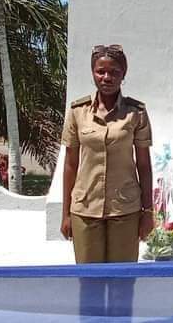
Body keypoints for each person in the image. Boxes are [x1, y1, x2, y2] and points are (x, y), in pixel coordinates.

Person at [60, 44, 155, 264]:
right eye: (100, 71)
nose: (106, 77)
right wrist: (65, 213)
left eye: (114, 72)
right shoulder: (77, 112)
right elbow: (70, 165)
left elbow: (144, 166)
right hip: (85, 210)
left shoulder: (136, 113)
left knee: (122, 282)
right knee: (89, 282)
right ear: (92, 72)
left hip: (125, 210)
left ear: (124, 75)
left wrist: (148, 212)